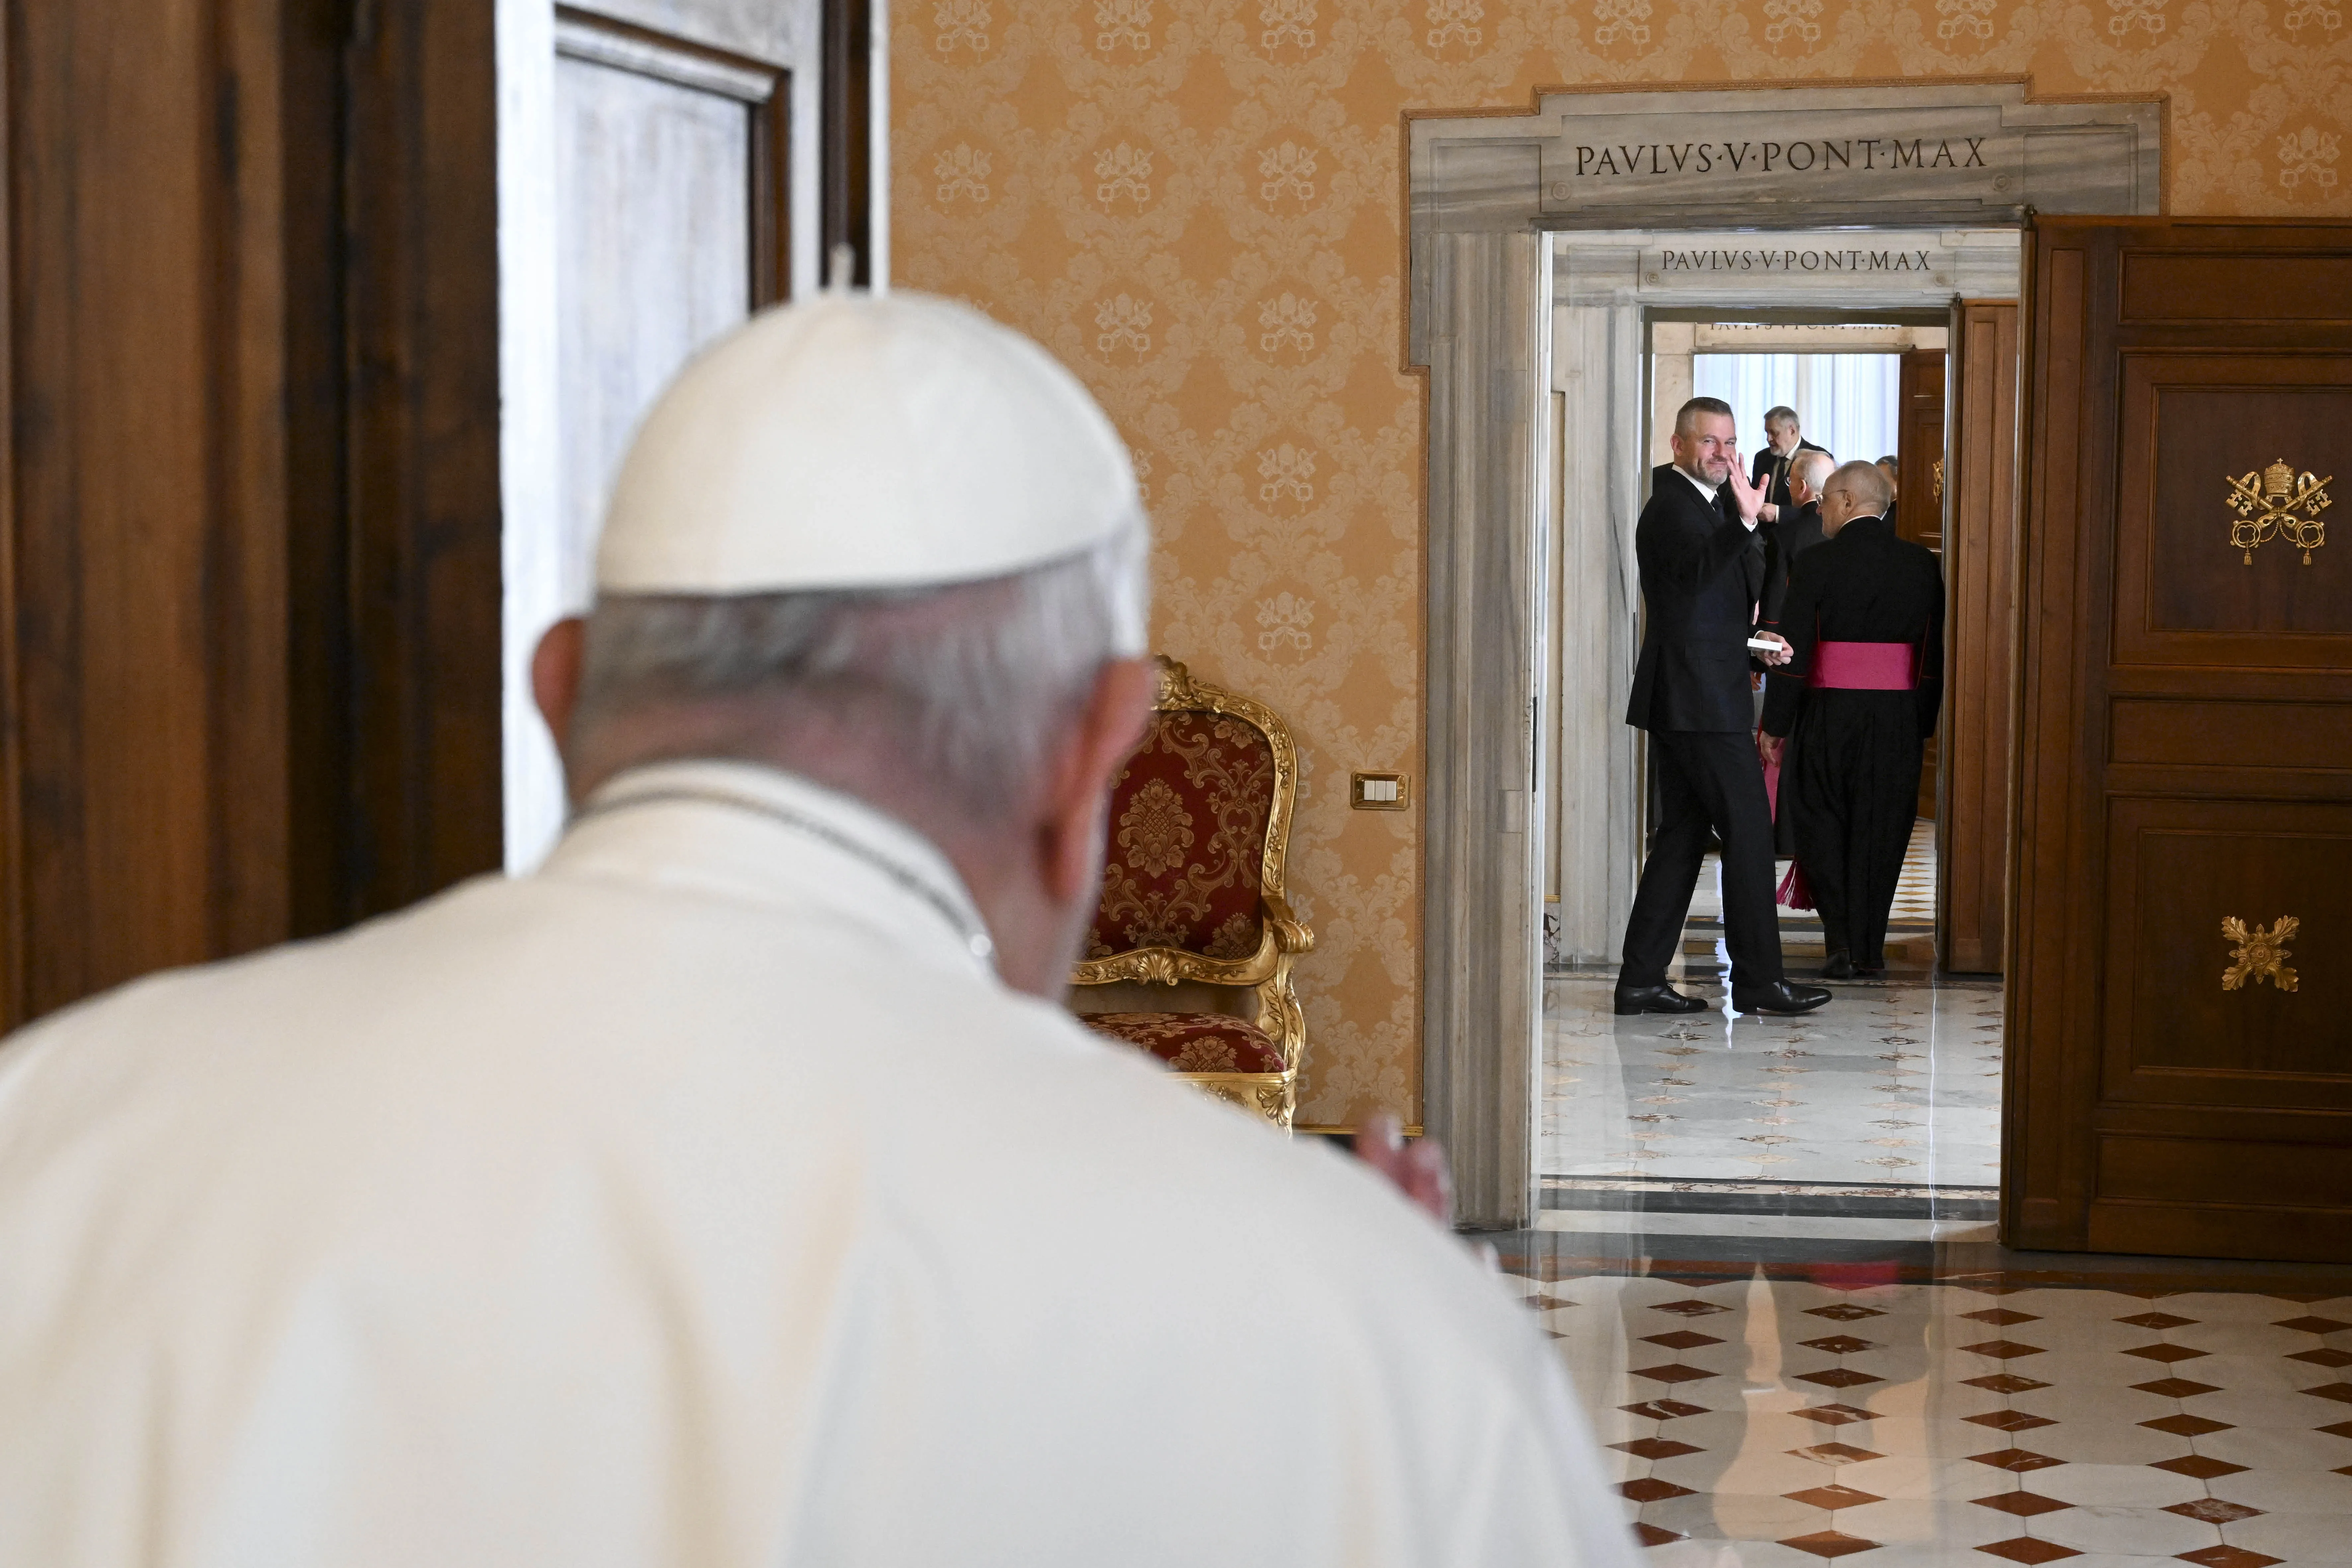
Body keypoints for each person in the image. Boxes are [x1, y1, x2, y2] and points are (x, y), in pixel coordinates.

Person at [0, 295, 1637, 1567]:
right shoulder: (1367, 1341)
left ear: (561, 693)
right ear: (1095, 754)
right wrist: (1329, 1286)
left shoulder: (57, 1126)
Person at [1617, 395, 1833, 1020]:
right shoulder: (1668, 506)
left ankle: (1638, 981)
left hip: (1698, 692)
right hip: (1699, 703)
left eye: (1730, 443)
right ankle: (1761, 981)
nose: (1723, 454)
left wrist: (1753, 644)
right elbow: (1688, 581)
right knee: (1748, 831)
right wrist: (1742, 525)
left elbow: (1699, 613)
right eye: (1709, 442)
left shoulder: (1706, 505)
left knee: (1682, 837)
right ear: (1679, 445)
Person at [1759, 460, 1944, 980]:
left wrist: (1774, 724)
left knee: (1822, 824)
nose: (1818, 512)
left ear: (1845, 501)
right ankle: (1869, 947)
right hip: (1895, 721)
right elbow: (1932, 658)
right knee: (1882, 830)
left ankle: (1839, 940)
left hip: (1826, 715)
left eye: (1825, 502)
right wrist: (1920, 724)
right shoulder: (1920, 565)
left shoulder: (1816, 562)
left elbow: (1794, 656)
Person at [1748, 405, 1829, 527]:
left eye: (1774, 433)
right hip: (1763, 540)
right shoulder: (1761, 458)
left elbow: (1824, 507)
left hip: (1799, 538)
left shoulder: (1819, 458)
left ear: (1792, 431)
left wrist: (1780, 514)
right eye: (1767, 433)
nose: (1769, 439)